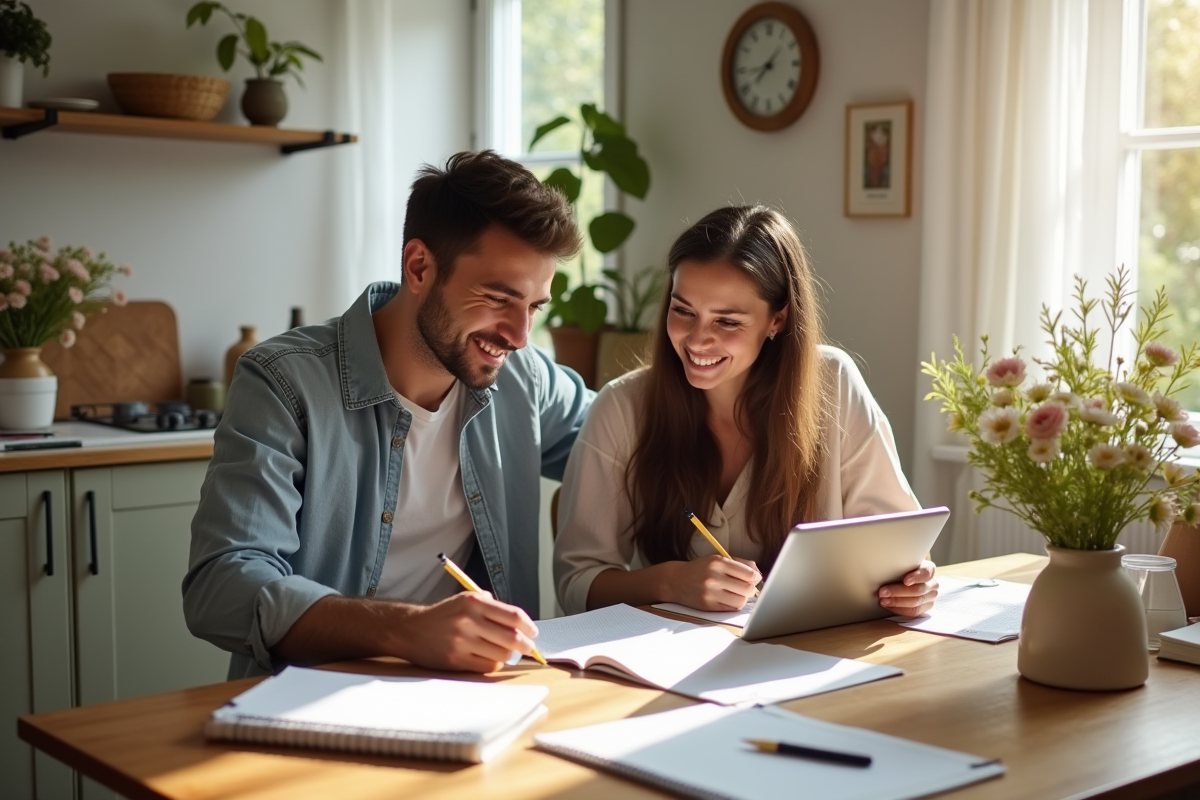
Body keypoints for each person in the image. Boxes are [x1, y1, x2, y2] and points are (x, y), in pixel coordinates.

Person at [185, 151, 593, 678]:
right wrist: (406, 630)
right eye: (498, 298)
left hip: (479, 700)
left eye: (535, 306)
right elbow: (222, 585)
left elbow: (626, 445)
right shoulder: (284, 382)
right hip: (310, 707)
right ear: (419, 266)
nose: (519, 335)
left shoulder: (525, 378)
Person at [553, 205, 937, 616]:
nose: (698, 340)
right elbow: (577, 583)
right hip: (672, 663)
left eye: (727, 322)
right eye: (683, 311)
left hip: (817, 656)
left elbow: (897, 547)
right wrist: (671, 582)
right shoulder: (621, 407)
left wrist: (914, 583)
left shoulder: (834, 383)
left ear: (777, 319)